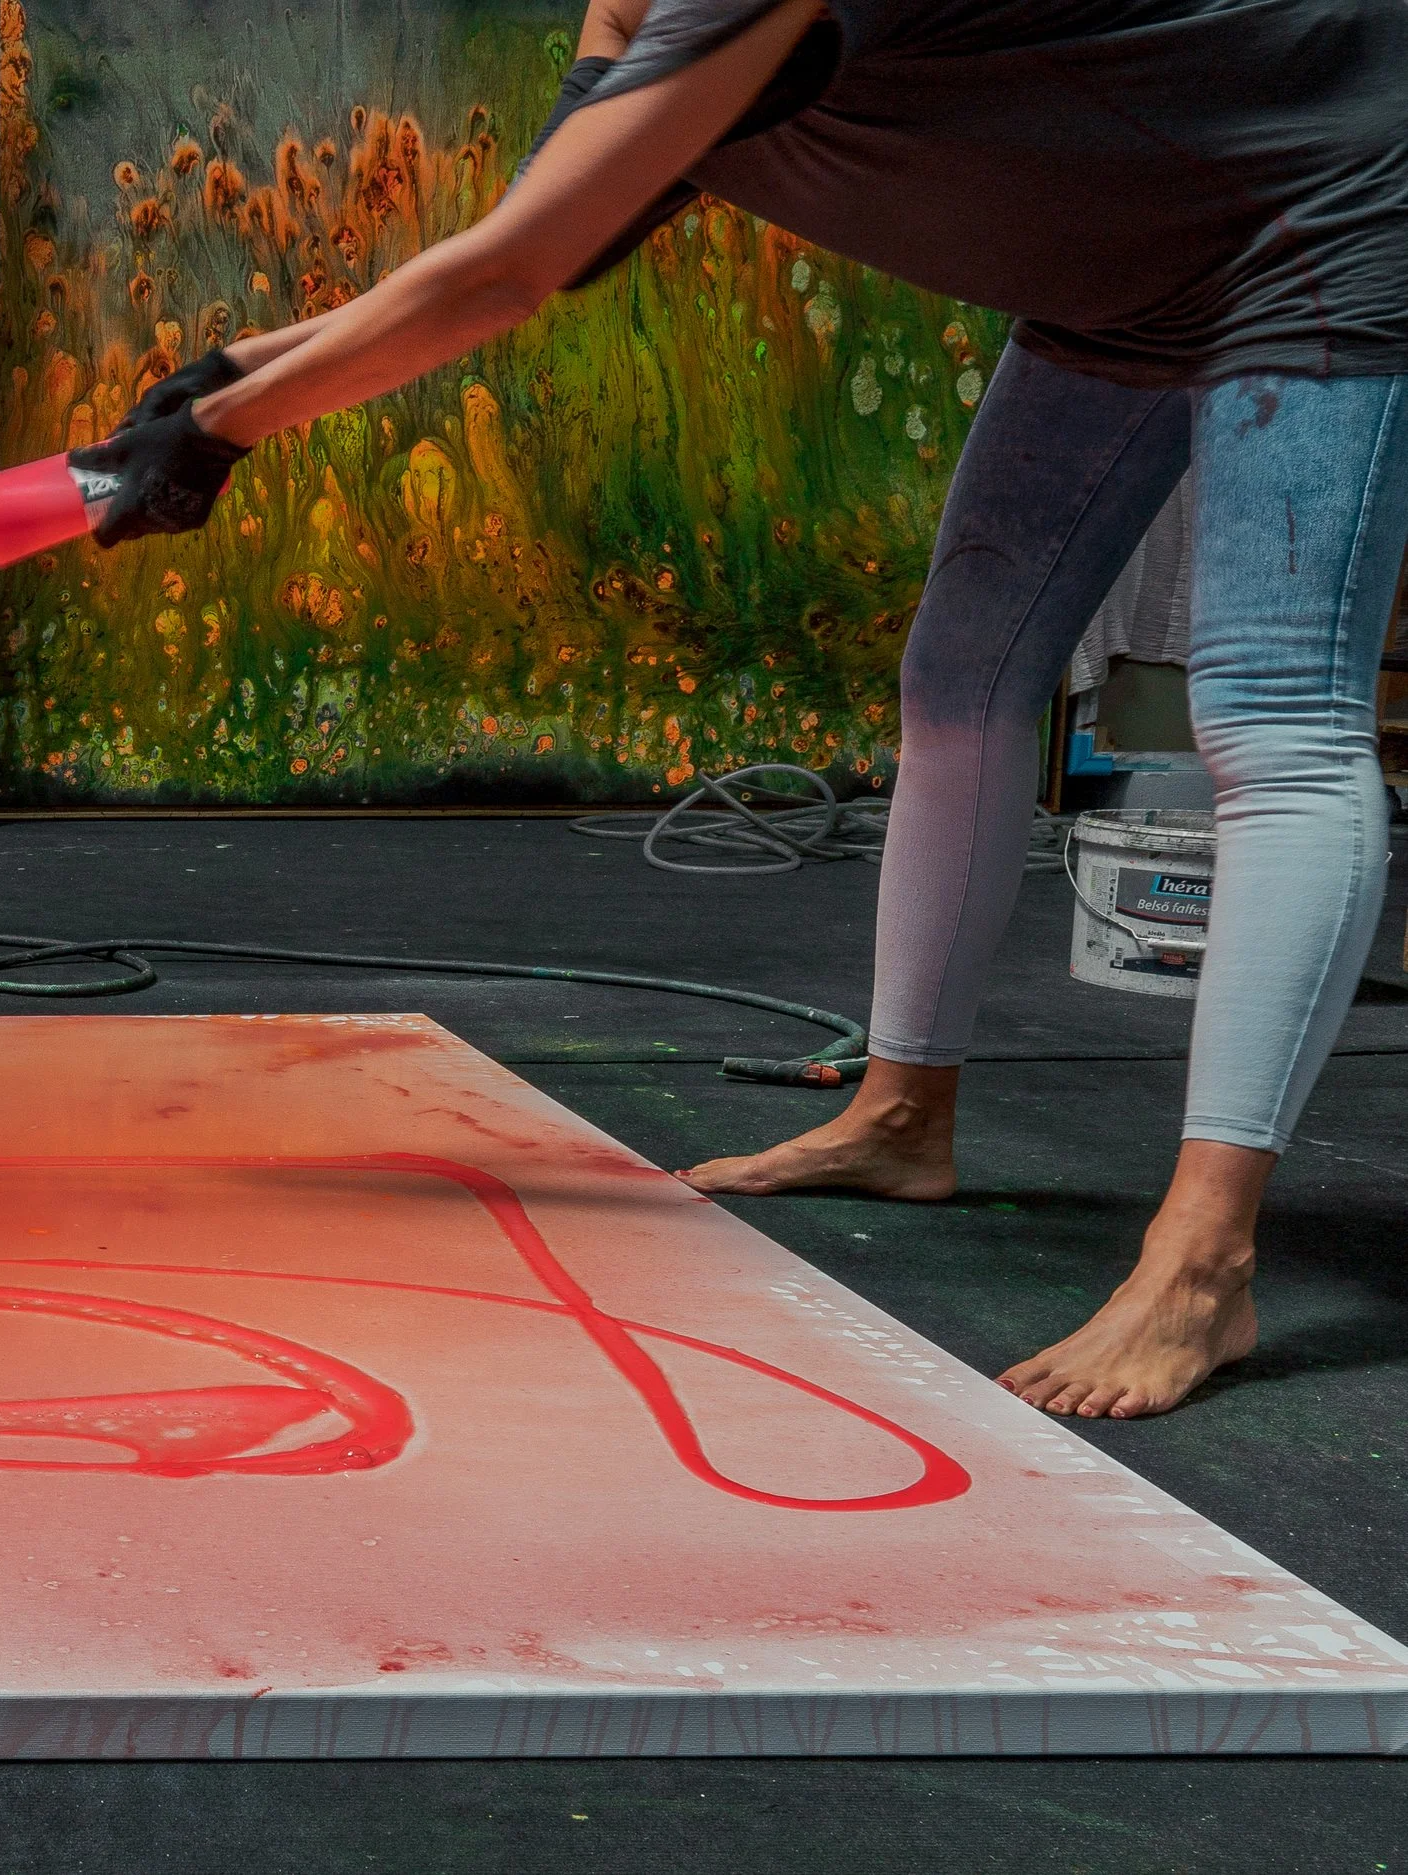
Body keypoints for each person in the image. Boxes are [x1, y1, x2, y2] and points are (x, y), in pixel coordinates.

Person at [75, 0, 1408, 1419]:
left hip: (1322, 208)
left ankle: (1204, 1262)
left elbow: (506, 278)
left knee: (1276, 715)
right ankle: (904, 1116)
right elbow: (561, 235)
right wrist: (221, 382)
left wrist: (226, 429)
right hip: (1131, 262)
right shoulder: (630, 16)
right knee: (960, 678)